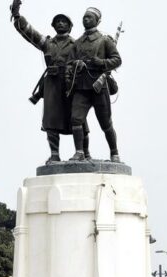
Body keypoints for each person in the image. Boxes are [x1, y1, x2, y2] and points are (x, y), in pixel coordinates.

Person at [10, 0, 90, 163]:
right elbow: (28, 32)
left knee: (78, 119)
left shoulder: (77, 44)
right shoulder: (47, 43)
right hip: (52, 84)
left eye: (64, 21)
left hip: (70, 84)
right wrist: (17, 15)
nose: (60, 23)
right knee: (51, 120)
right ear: (53, 25)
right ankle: (54, 154)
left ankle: (83, 153)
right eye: (58, 21)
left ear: (70, 26)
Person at [66, 7, 122, 162]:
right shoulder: (77, 43)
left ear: (97, 21)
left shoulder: (105, 41)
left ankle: (114, 153)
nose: (86, 20)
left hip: (99, 87)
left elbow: (117, 60)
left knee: (106, 123)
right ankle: (79, 152)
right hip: (81, 87)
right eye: (84, 17)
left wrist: (101, 62)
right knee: (76, 119)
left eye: (89, 17)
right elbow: (69, 64)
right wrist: (76, 64)